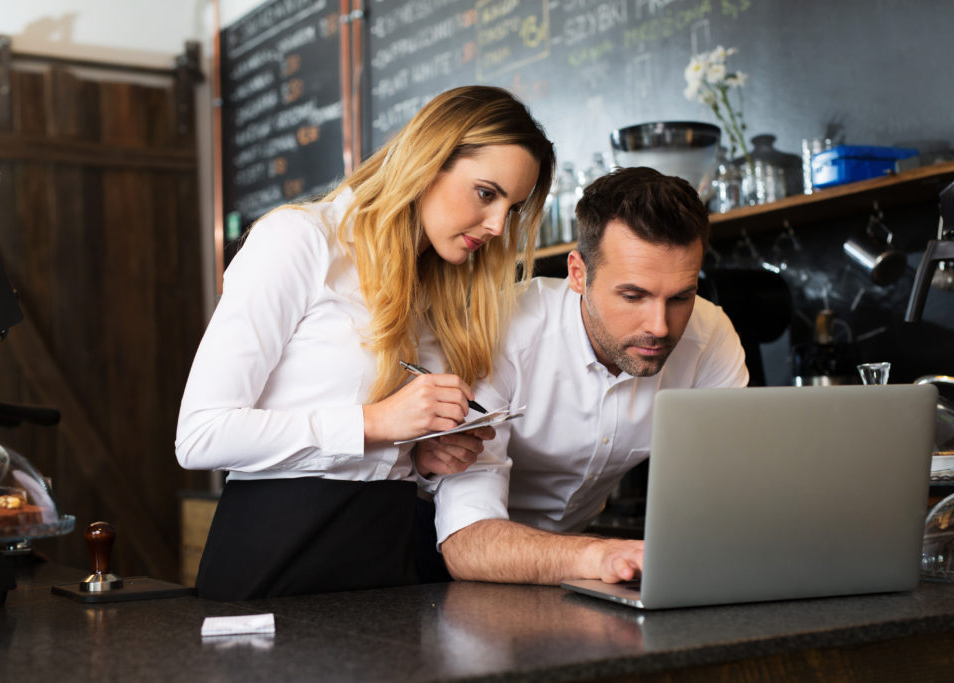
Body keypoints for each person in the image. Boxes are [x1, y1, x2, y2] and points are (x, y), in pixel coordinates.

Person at [175, 85, 555, 600]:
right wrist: (377, 423)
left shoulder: (441, 288)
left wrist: (421, 460)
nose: (495, 225)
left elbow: (375, 456)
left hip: (388, 563)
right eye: (486, 193)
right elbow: (201, 436)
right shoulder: (300, 240)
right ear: (428, 161)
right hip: (275, 559)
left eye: (512, 209)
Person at [418, 166, 749, 585]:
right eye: (633, 296)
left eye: (681, 297)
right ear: (579, 274)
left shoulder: (710, 335)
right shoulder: (500, 333)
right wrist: (599, 555)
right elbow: (467, 543)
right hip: (437, 568)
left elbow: (730, 490)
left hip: (576, 568)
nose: (660, 327)